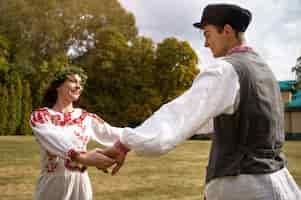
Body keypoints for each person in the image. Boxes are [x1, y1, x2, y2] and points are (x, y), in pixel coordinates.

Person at [101, 3, 301, 200]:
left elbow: (178, 115)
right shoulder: (264, 70)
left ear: (227, 30)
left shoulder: (226, 70)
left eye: (207, 34)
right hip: (274, 180)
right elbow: (208, 120)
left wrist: (125, 143)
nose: (205, 43)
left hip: (244, 185)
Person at [30, 66, 123, 200]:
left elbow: (115, 134)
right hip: (53, 186)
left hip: (81, 185)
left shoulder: (86, 118)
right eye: (73, 81)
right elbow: (53, 139)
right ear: (58, 86)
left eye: (80, 84)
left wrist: (134, 139)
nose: (78, 86)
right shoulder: (42, 116)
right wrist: (84, 157)